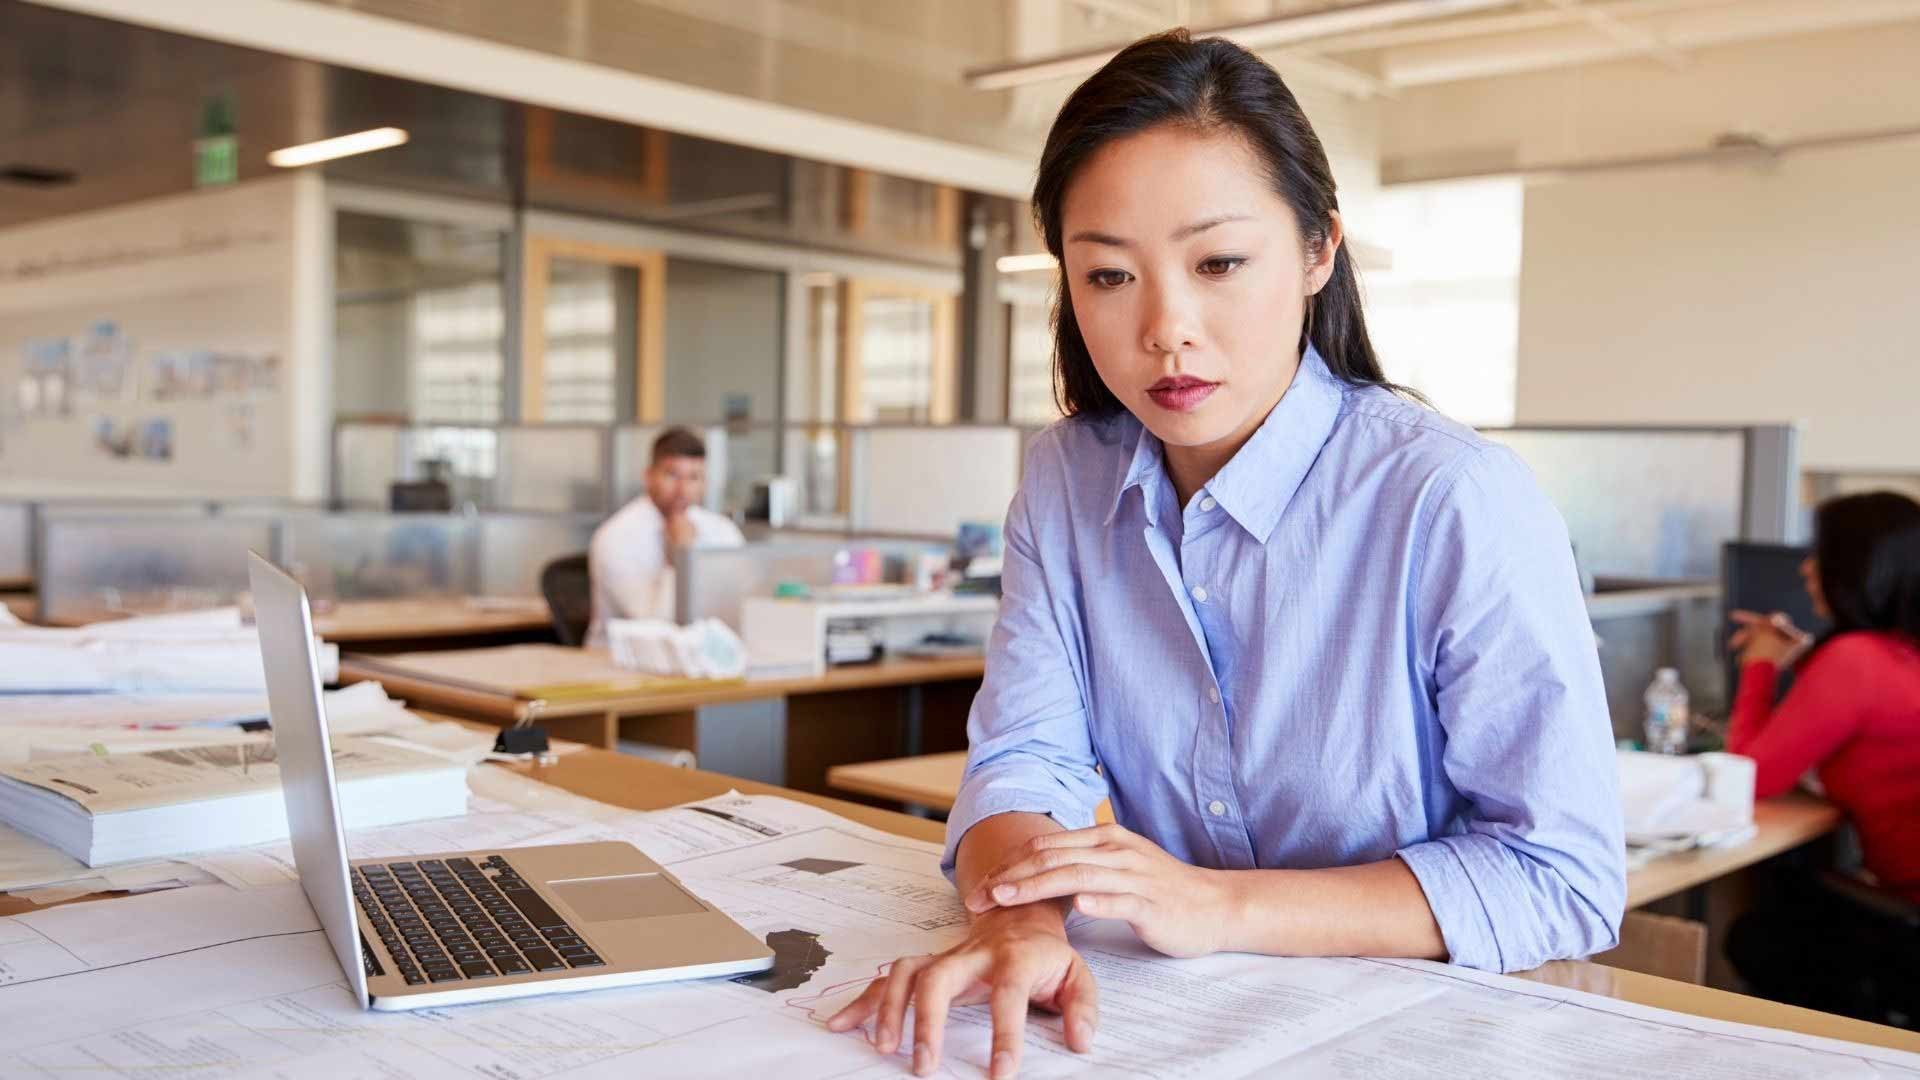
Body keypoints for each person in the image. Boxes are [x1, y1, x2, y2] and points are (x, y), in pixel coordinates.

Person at [827, 30, 1624, 1079]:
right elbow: (1029, 759)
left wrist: (1216, 905)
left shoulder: (1451, 500)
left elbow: (1561, 876)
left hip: (1416, 1038)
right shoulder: (1068, 481)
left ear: (1316, 252)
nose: (1166, 328)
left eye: (1218, 263)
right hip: (1177, 1029)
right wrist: (1025, 919)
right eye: (1109, 274)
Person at [1722, 491, 1920, 1023]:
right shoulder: (1897, 653)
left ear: (1859, 568)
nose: (1807, 570)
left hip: (1912, 923)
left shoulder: (1855, 662)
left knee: (1758, 937)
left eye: (1821, 555)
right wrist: (1807, 657)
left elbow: (1747, 775)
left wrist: (1760, 665)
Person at [585, 426, 742, 647]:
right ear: (648, 477)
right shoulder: (615, 538)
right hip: (622, 664)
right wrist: (678, 557)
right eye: (672, 475)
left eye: (694, 477)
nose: (683, 489)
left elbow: (738, 605)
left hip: (700, 658)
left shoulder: (721, 530)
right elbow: (655, 627)